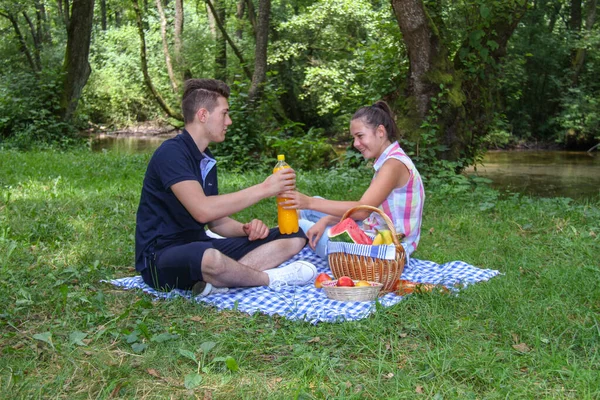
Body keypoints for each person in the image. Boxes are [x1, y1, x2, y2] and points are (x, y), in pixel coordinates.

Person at [135, 78, 316, 295]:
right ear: (203, 115)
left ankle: (224, 281)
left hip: (200, 243)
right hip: (160, 256)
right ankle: (268, 279)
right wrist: (265, 188)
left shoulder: (206, 159)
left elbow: (215, 222)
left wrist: (244, 229)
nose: (228, 121)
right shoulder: (171, 153)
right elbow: (203, 211)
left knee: (294, 236)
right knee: (211, 259)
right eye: (224, 113)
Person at [280, 101, 425, 263]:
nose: (356, 144)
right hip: (375, 233)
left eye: (360, 136)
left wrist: (309, 202)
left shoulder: (393, 165)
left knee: (300, 226)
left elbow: (362, 211)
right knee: (310, 212)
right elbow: (367, 213)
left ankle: (276, 255)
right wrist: (326, 219)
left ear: (380, 131)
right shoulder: (391, 159)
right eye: (354, 138)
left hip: (385, 253)